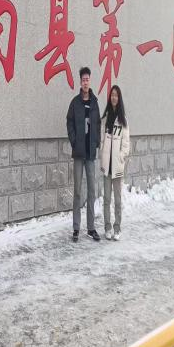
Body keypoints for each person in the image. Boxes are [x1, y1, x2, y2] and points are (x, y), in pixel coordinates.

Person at [66, 67, 101, 242]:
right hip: (79, 153)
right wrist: (73, 141)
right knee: (78, 191)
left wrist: (96, 142)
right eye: (83, 79)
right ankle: (76, 228)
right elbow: (69, 122)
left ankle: (91, 228)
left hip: (90, 154)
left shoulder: (94, 102)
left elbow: (98, 124)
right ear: (80, 82)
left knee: (92, 191)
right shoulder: (75, 103)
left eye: (87, 79)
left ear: (90, 81)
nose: (85, 82)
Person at [100, 85, 130, 241]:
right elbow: (102, 141)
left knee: (117, 200)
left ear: (119, 98)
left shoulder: (123, 120)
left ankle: (117, 228)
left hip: (117, 166)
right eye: (112, 95)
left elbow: (126, 144)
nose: (114, 97)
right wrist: (102, 157)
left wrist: (121, 156)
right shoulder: (105, 119)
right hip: (107, 166)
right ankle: (107, 227)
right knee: (106, 199)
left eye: (116, 95)